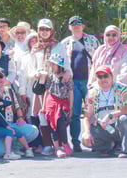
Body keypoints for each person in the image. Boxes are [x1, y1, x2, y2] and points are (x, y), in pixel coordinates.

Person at [0, 67, 38, 160]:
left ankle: (14, 148)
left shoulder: (10, 91)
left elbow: (17, 107)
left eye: (1, 76)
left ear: (5, 78)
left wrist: (20, 118)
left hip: (10, 125)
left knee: (33, 130)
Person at [60, 15, 100, 153]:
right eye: (73, 24)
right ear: (69, 27)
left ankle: (95, 141)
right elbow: (60, 63)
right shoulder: (65, 43)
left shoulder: (92, 40)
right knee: (75, 114)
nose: (76, 26)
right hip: (73, 83)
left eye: (78, 23)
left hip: (90, 81)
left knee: (93, 112)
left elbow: (99, 59)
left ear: (83, 26)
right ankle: (76, 142)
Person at [27, 18, 66, 155]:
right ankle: (47, 144)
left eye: (47, 29)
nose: (44, 32)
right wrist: (36, 73)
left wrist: (66, 73)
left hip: (54, 86)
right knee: (41, 114)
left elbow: (65, 64)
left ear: (51, 31)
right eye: (41, 29)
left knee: (55, 115)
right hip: (40, 85)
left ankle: (60, 145)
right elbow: (30, 69)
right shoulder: (35, 48)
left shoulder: (58, 46)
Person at [82, 65, 127, 158]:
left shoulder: (122, 88)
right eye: (100, 77)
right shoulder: (92, 93)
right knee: (85, 139)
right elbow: (86, 116)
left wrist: (110, 116)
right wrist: (87, 132)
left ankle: (124, 149)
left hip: (118, 125)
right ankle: (110, 146)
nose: (103, 79)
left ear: (111, 76)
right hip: (102, 127)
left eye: (105, 76)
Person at [42, 53, 74, 157]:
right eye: (51, 64)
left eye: (53, 64)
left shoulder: (67, 77)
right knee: (53, 125)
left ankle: (65, 143)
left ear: (59, 65)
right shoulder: (51, 77)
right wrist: (43, 106)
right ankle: (57, 148)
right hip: (51, 103)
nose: (51, 66)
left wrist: (71, 107)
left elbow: (70, 92)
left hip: (63, 103)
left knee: (61, 124)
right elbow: (47, 91)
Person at [90, 25, 127, 90]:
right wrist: (91, 84)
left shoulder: (124, 50)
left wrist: (114, 84)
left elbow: (125, 70)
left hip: (119, 88)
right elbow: (93, 70)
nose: (111, 37)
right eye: (108, 35)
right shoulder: (100, 50)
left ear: (118, 36)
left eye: (114, 35)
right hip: (101, 88)